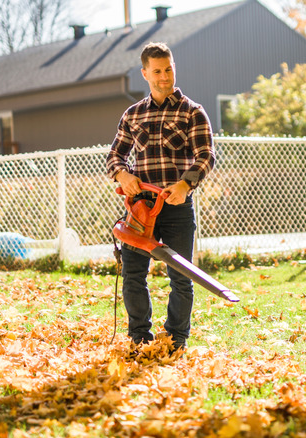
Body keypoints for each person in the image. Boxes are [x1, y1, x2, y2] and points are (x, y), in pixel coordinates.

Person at [106, 42, 215, 352]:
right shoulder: (133, 114)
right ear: (145, 73)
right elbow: (115, 154)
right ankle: (140, 337)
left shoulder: (192, 111)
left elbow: (206, 155)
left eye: (169, 69)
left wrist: (185, 185)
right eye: (157, 71)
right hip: (140, 209)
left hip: (176, 208)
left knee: (181, 278)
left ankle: (176, 339)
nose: (164, 76)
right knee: (133, 276)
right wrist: (123, 175)